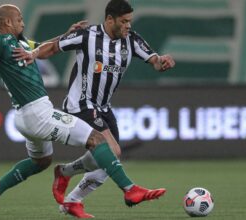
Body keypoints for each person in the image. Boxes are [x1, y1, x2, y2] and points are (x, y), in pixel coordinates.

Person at [0, 4, 166, 220]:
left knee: (41, 161)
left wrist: (65, 34)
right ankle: (129, 189)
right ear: (6, 22)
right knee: (97, 141)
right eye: (19, 19)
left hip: (23, 117)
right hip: (37, 114)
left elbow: (42, 47)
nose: (22, 22)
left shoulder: (20, 42)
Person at [14, 0, 175, 218]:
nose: (128, 25)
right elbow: (52, 47)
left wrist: (162, 62)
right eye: (124, 21)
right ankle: (127, 190)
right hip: (80, 103)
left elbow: (154, 60)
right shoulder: (87, 35)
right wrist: (32, 55)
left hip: (103, 107)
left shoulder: (131, 39)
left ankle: (68, 187)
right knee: (113, 152)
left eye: (130, 21)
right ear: (110, 20)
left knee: (110, 159)